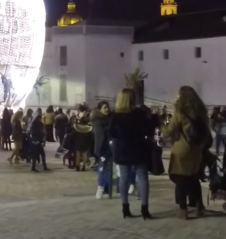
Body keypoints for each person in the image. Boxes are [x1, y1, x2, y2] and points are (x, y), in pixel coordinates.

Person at [163, 86, 212, 220]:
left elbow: (170, 130)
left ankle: (183, 209)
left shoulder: (180, 111)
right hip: (197, 149)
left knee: (180, 179)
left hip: (182, 149)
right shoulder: (201, 110)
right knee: (192, 177)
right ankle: (199, 206)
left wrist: (162, 128)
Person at [109, 88, 153, 220]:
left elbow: (111, 134)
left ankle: (125, 208)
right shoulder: (139, 114)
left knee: (124, 178)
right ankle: (145, 209)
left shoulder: (115, 116)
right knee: (143, 178)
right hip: (138, 149)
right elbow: (148, 130)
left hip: (122, 149)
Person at [91, 101, 112, 198]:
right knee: (102, 168)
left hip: (111, 147)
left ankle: (107, 187)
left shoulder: (110, 118)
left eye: (107, 107)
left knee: (109, 169)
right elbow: (100, 135)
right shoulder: (98, 120)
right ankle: (100, 187)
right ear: (100, 109)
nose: (107, 109)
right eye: (104, 107)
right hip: (103, 147)